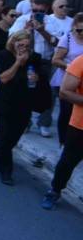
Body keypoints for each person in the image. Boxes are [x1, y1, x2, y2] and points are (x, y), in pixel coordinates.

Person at [0, 30, 50, 185]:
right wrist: (18, 63)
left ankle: (2, 153)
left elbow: (41, 79)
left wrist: (37, 78)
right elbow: (3, 78)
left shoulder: (35, 58)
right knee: (4, 135)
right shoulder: (4, 55)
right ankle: (6, 171)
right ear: (13, 42)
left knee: (14, 136)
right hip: (4, 102)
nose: (23, 47)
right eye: (20, 44)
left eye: (27, 45)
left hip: (25, 103)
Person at [10, 0, 58, 137]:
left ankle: (44, 123)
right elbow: (11, 39)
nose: (36, 13)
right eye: (34, 9)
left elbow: (57, 42)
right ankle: (26, 121)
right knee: (24, 91)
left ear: (47, 10)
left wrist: (43, 31)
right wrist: (26, 31)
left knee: (48, 94)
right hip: (26, 59)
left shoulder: (53, 22)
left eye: (40, 11)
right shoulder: (22, 19)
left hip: (45, 61)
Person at [41, 53, 83, 209]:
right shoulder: (81, 61)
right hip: (80, 126)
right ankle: (54, 190)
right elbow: (64, 91)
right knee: (67, 162)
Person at [49, 13, 83, 145]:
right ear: (74, 27)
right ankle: (64, 142)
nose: (81, 33)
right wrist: (71, 66)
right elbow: (56, 60)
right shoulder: (67, 38)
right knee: (67, 112)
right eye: (79, 30)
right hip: (67, 80)